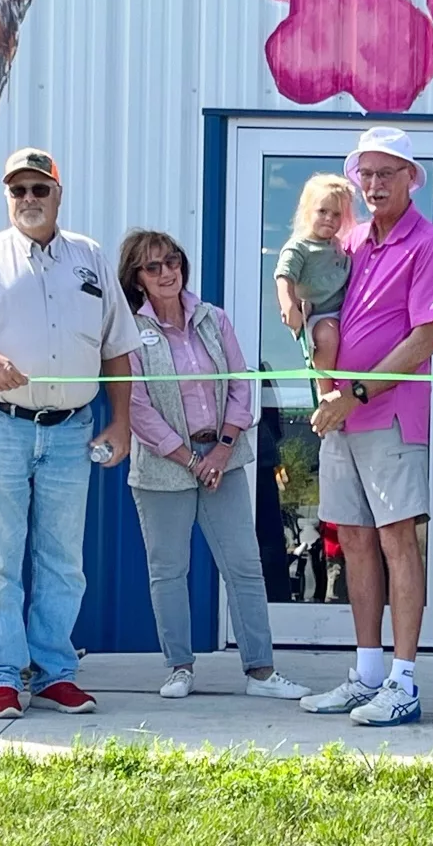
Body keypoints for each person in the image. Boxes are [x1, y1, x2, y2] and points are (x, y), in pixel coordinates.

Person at [0, 147, 138, 720]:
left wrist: (121, 422)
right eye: (18, 190)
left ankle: (55, 673)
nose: (29, 199)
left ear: (58, 192)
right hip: (0, 426)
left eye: (39, 190)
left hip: (71, 431)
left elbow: (117, 346)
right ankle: (1, 674)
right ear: (8, 197)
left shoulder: (91, 258)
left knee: (61, 559)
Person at [299, 126, 433, 728]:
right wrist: (326, 387)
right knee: (357, 540)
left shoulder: (432, 243)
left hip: (389, 416)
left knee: (397, 541)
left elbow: (425, 337)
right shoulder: (349, 240)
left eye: (387, 174)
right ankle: (367, 674)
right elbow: (318, 308)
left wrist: (355, 392)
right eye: (365, 174)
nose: (373, 185)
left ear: (410, 179)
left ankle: (404, 680)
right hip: (339, 415)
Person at [118, 229, 312, 701]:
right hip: (164, 466)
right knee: (168, 569)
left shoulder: (213, 319)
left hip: (223, 458)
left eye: (172, 262)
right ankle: (179, 668)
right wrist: (188, 459)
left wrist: (222, 449)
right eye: (153, 267)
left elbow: (242, 384)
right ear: (137, 279)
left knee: (245, 565)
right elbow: (136, 406)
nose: (166, 273)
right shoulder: (128, 331)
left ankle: (261, 672)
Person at [275, 174, 357, 397]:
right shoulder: (299, 247)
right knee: (327, 336)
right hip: (320, 314)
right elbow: (284, 276)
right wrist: (289, 306)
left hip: (345, 311)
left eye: (336, 214)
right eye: (323, 211)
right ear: (307, 211)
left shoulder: (338, 246)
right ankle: (325, 393)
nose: (329, 218)